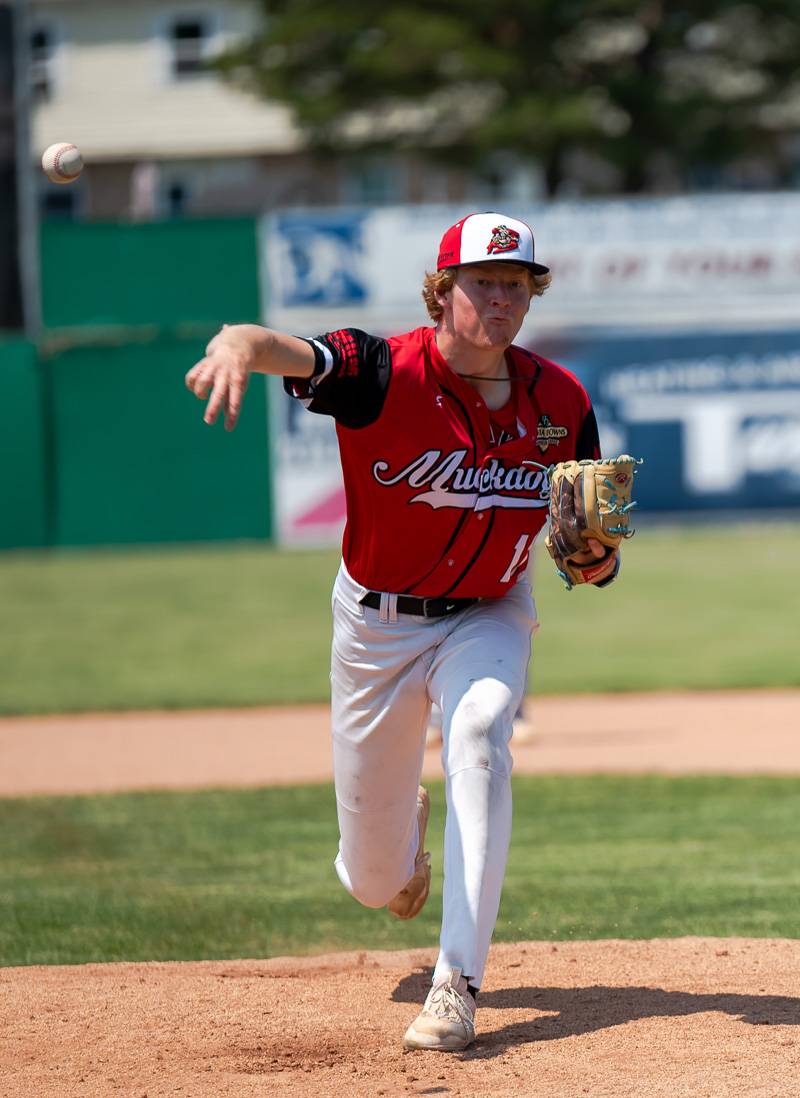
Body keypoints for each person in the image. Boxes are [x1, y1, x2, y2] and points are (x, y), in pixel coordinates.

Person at [185, 212, 621, 1052]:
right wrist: (242, 340)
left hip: (489, 614)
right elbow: (298, 354)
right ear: (443, 289)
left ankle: (456, 983)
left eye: (517, 283)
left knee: (483, 733)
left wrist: (595, 561)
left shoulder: (561, 401)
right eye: (483, 281)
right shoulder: (382, 371)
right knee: (372, 879)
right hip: (377, 631)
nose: (502, 297)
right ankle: (399, 848)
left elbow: (585, 551)